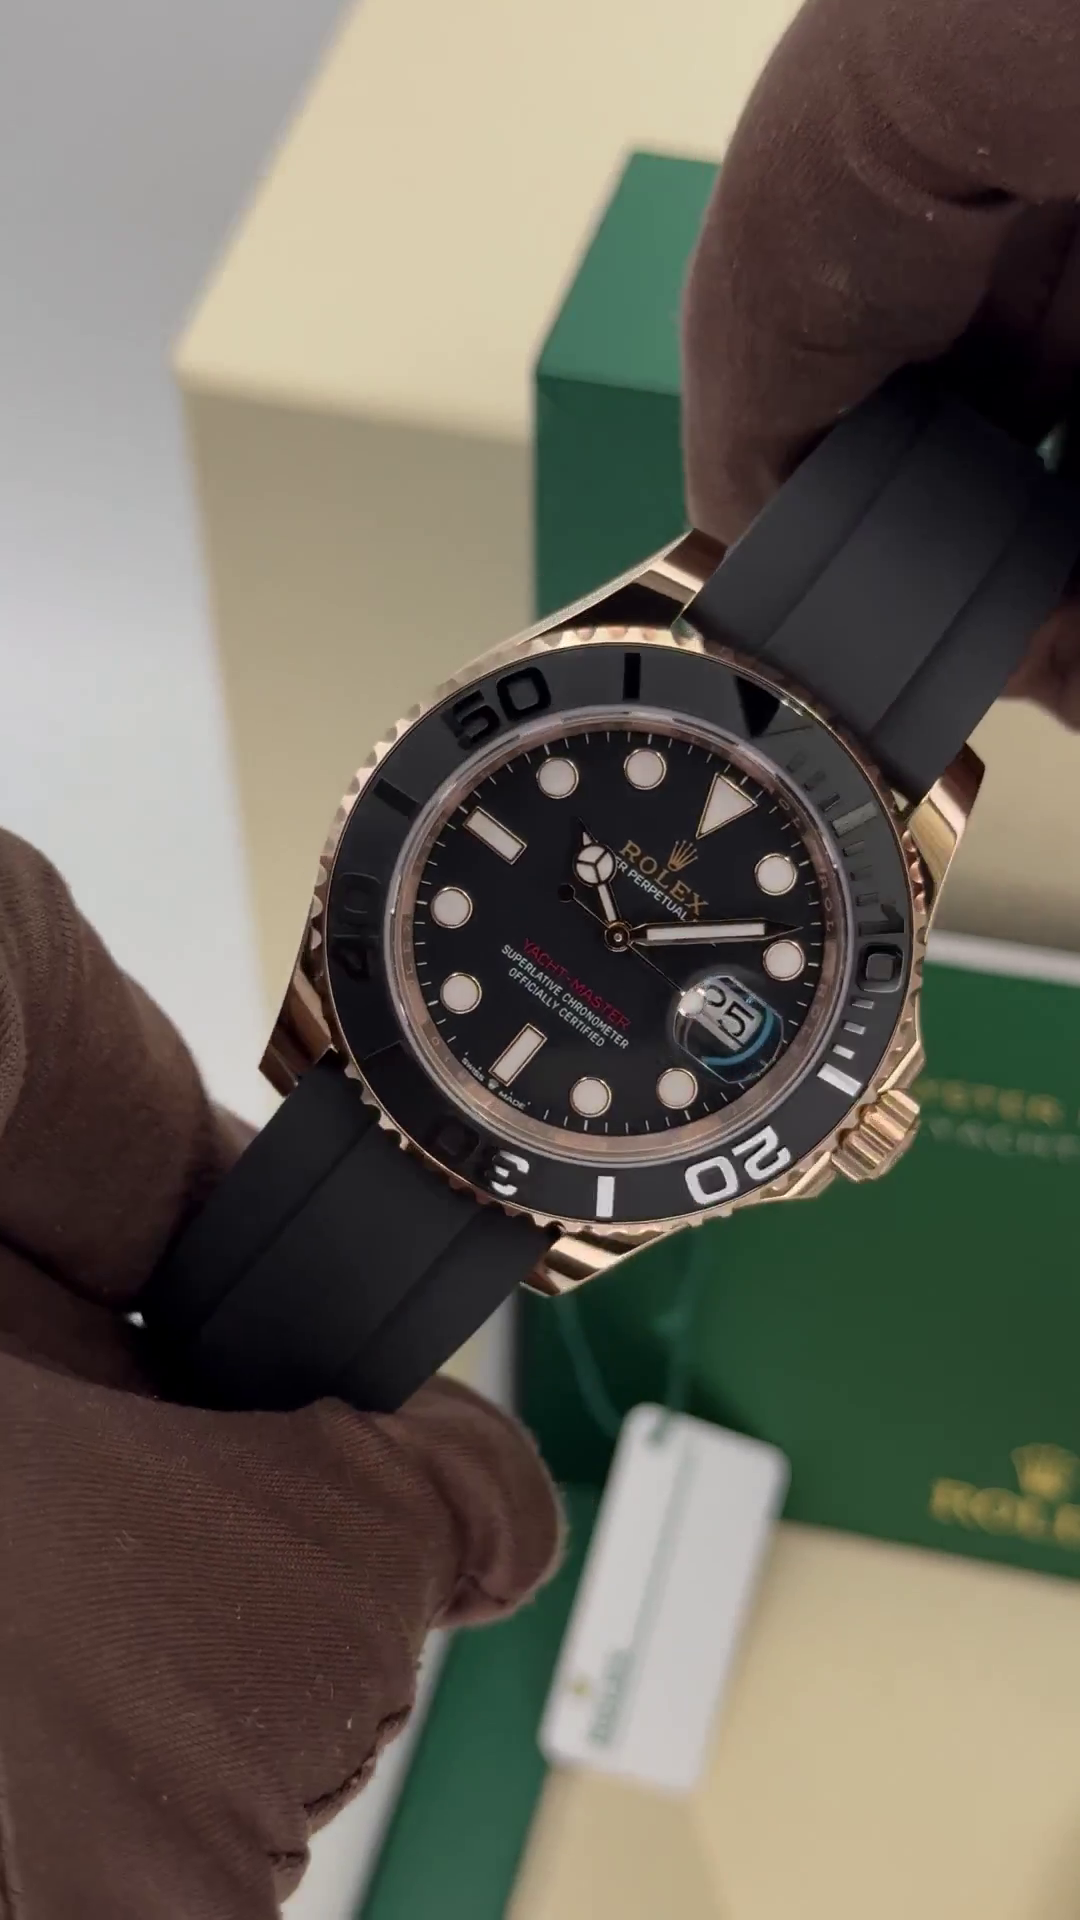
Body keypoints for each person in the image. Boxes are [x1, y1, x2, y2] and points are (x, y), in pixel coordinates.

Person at [3, 0, 1078, 1912]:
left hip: (472, 1065)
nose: (634, 931)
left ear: (846, 1104)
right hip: (421, 1069)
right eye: (620, 906)